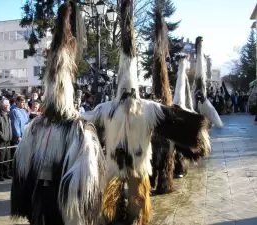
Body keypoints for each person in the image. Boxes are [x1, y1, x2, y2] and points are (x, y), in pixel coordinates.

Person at [81, 1, 211, 224]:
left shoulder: (133, 109)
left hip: (136, 170)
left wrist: (197, 132)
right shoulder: (121, 109)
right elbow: (84, 120)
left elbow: (175, 118)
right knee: (113, 211)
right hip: (116, 168)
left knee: (135, 211)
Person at [11, 3, 104, 224]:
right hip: (39, 201)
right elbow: (22, 168)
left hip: (61, 206)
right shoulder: (36, 127)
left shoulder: (78, 129)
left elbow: (87, 178)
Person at [0, 99, 13, 181]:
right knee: (0, 159)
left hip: (8, 141)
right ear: (4, 106)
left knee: (7, 158)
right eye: (8, 105)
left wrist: (9, 137)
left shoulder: (7, 115)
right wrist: (3, 137)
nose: (10, 106)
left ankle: (6, 173)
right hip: (1, 141)